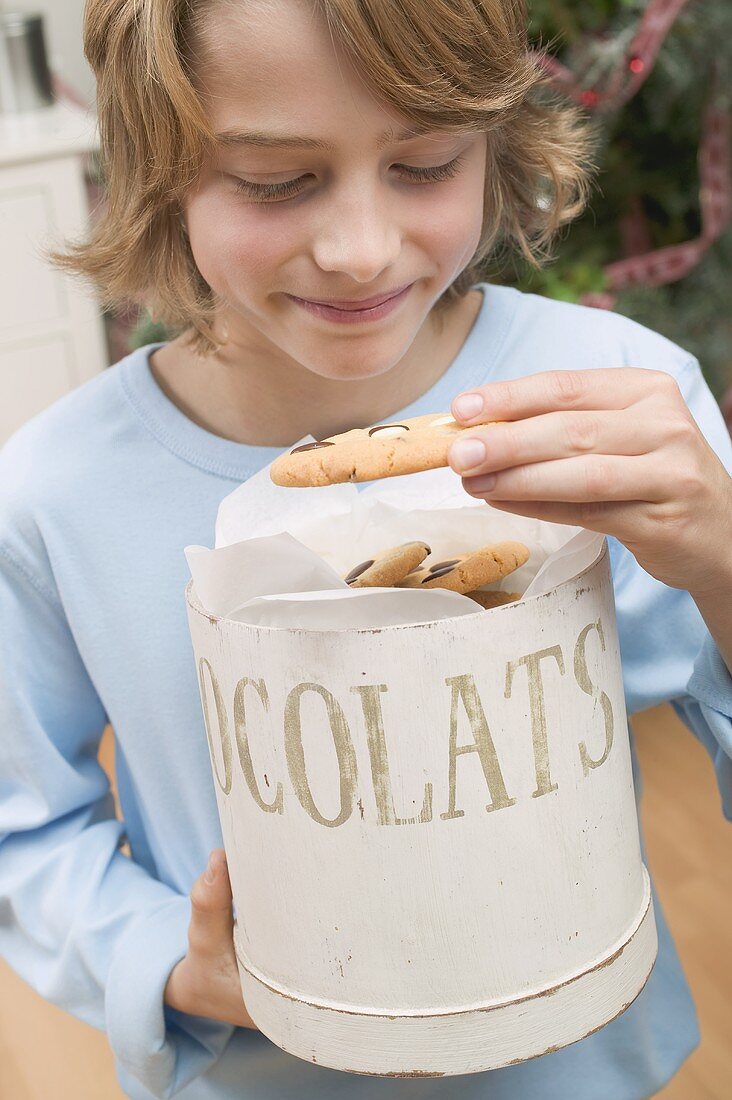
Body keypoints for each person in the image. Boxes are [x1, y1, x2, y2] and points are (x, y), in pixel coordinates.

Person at [0, 1, 730, 1097]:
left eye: (425, 164)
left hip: (588, 1063)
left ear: (493, 143)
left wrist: (722, 556)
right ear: (162, 166)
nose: (359, 250)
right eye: (274, 179)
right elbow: (25, 830)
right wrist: (166, 962)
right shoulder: (56, 493)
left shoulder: (621, 399)